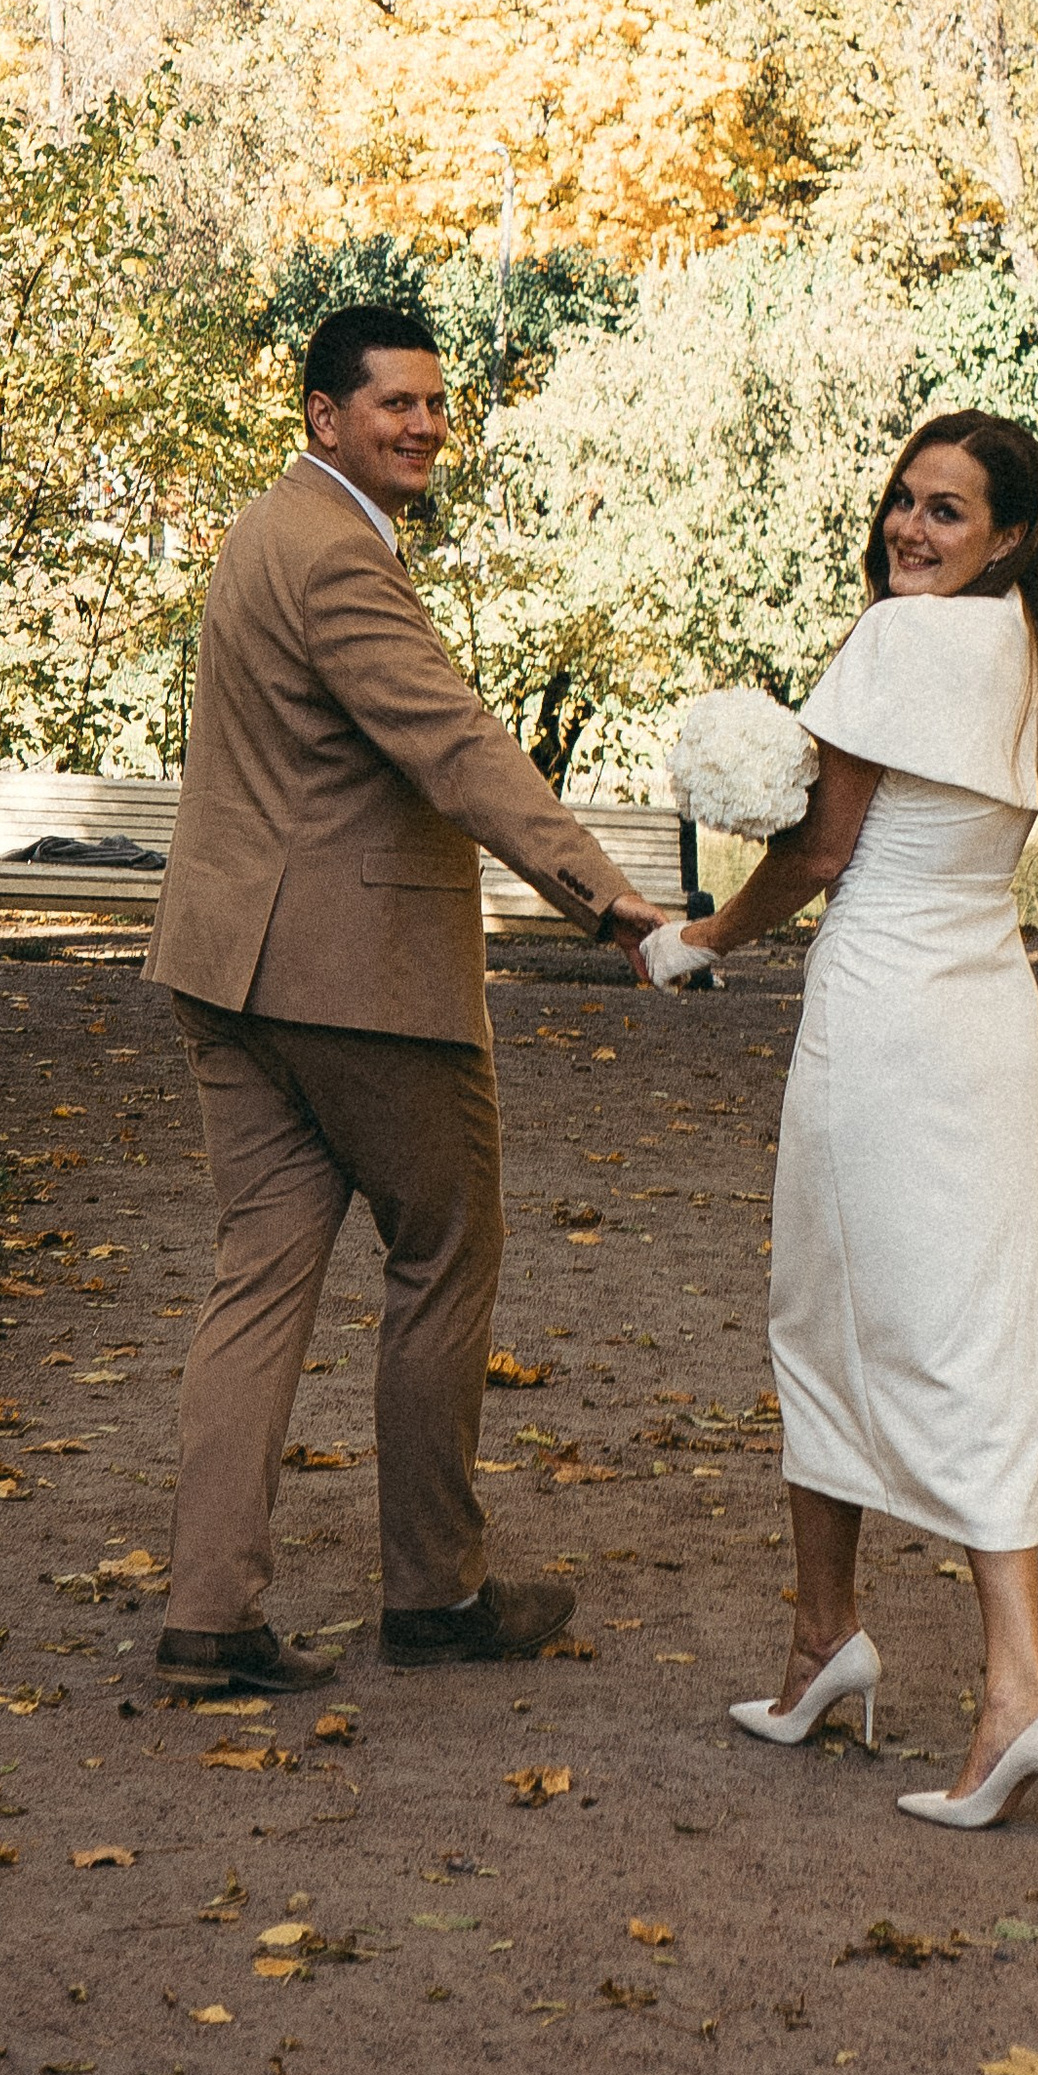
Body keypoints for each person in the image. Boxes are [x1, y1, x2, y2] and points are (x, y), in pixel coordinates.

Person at [143, 303, 674, 1697]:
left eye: (439, 404)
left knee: (261, 1280)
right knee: (445, 1254)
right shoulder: (338, 563)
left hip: (228, 970)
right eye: (397, 405)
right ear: (325, 417)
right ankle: (435, 1595)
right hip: (355, 983)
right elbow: (455, 748)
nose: (428, 425)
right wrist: (604, 897)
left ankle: (210, 1616)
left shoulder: (269, 532)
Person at [646, 411, 1038, 1835]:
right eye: (905, 501)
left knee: (857, 1315)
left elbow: (825, 849)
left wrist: (699, 936)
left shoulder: (906, 644)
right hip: (983, 1014)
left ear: (1010, 534)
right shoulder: (1024, 647)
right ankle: (824, 1644)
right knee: (949, 1320)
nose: (911, 527)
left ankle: (1013, 1688)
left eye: (948, 512)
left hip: (885, 1016)